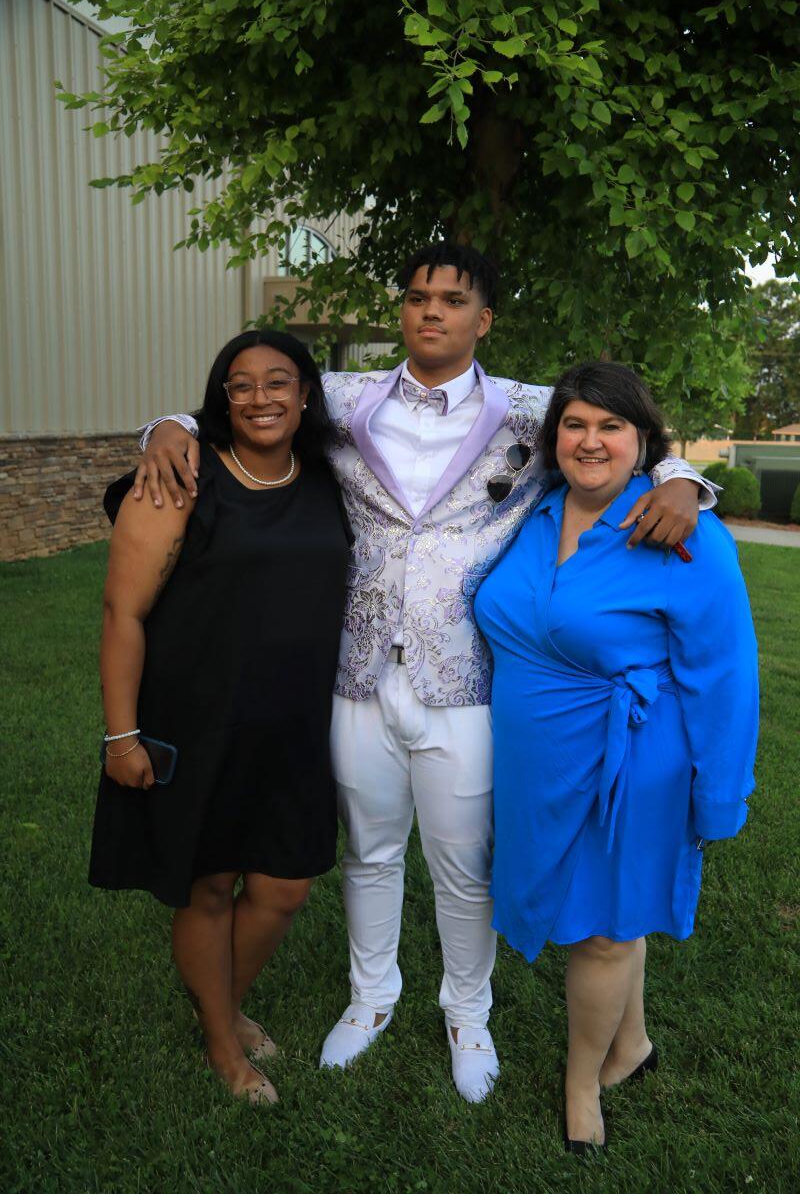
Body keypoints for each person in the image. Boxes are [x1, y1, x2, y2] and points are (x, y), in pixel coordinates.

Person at [133, 242, 719, 1103]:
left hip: (466, 679)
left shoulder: (531, 410)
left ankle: (467, 1013)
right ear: (402, 311)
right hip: (357, 671)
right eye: (416, 298)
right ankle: (371, 997)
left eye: (452, 299)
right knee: (369, 851)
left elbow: (624, 429)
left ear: (484, 319)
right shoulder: (343, 398)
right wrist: (167, 429)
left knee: (463, 861)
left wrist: (683, 480)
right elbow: (237, 402)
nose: (431, 311)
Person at [474, 361, 758, 1149]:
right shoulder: (531, 510)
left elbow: (726, 677)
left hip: (631, 763)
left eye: (612, 426)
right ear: (554, 436)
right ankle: (630, 1044)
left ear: (645, 442)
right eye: (575, 424)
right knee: (613, 915)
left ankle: (582, 1087)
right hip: (536, 762)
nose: (590, 441)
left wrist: (719, 794)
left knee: (603, 931)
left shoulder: (684, 537)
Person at [90, 329, 352, 1105]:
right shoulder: (177, 481)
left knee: (284, 887)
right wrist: (121, 736)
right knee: (206, 887)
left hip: (295, 725)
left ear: (306, 394)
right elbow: (122, 614)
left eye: (278, 382)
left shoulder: (329, 479)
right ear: (223, 399)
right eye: (241, 385)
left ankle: (223, 1004)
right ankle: (221, 1039)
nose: (261, 398)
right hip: (197, 720)